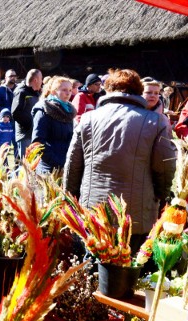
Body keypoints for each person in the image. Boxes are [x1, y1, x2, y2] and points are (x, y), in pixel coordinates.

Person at [63, 69, 176, 254]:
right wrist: (160, 198)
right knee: (129, 271)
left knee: (93, 268)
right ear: (139, 92)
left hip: (93, 212)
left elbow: (73, 165)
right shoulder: (156, 121)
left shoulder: (88, 119)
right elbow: (165, 166)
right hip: (136, 215)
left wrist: (70, 201)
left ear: (108, 90)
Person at [31, 76, 76, 174]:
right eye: (64, 90)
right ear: (53, 92)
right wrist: (56, 162)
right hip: (48, 168)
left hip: (66, 164)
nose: (68, 93)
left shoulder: (69, 112)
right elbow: (38, 142)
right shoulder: (44, 111)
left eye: (69, 90)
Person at [11, 68, 42, 160]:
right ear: (35, 80)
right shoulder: (21, 92)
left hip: (34, 134)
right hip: (25, 135)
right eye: (41, 78)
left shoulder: (36, 92)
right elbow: (15, 112)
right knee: (26, 165)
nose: (42, 81)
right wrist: (30, 124)